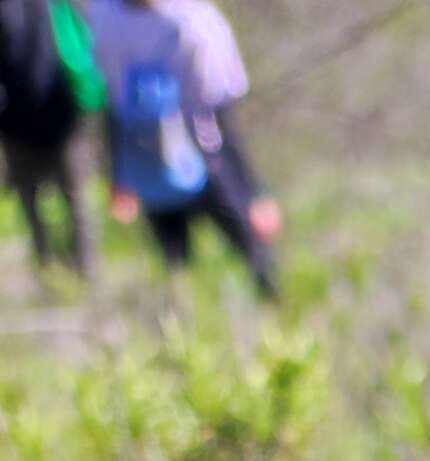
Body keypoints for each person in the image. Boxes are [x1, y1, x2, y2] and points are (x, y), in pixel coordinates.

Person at [88, 0, 279, 296]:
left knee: (178, 266)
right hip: (201, 160)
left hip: (148, 161)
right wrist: (254, 193)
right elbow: (220, 115)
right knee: (248, 254)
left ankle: (191, 323)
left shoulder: (103, 16)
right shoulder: (195, 21)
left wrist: (119, 176)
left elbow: (112, 106)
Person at [0, 0, 96, 274]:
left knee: (59, 200)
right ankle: (70, 271)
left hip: (50, 117)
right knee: (71, 199)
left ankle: (63, 270)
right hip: (45, 116)